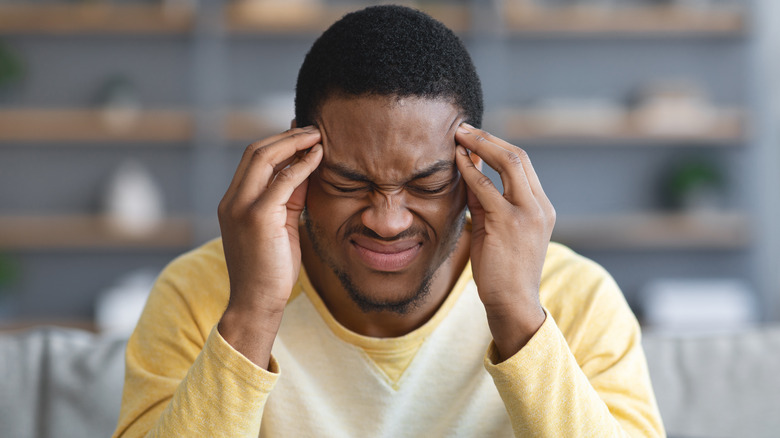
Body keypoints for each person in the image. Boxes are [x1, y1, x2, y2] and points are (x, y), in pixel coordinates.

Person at [113, 5, 664, 437]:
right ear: (295, 160)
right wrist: (254, 312)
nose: (387, 220)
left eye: (426, 185)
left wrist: (517, 314)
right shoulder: (200, 293)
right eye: (348, 183)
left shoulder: (574, 298)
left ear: (475, 168)